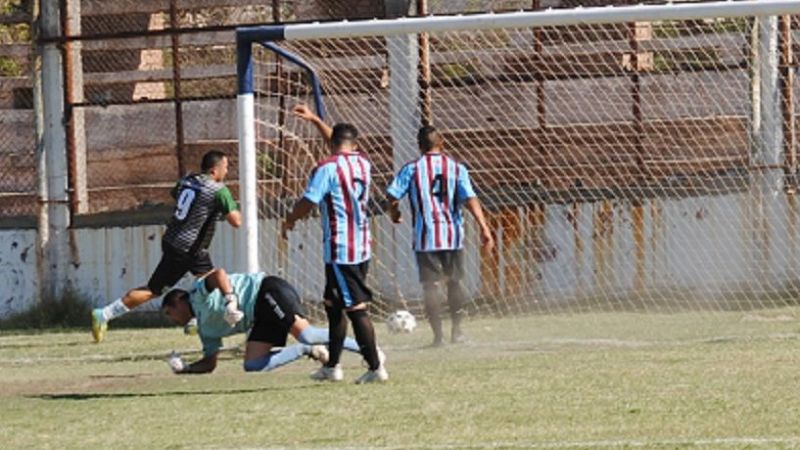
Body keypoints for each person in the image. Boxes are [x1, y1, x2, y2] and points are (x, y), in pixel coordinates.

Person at [282, 104, 387, 383]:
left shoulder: (326, 168)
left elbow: (309, 200)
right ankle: (333, 367)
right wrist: (316, 119)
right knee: (333, 305)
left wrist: (290, 218)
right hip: (362, 243)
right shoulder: (363, 162)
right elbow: (338, 144)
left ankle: (376, 367)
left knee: (355, 308)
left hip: (342, 249)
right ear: (354, 144)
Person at [91, 150, 242, 343]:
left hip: (174, 239)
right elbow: (236, 221)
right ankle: (104, 314)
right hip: (188, 247)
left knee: (206, 282)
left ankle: (195, 321)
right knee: (155, 290)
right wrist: (234, 205)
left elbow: (176, 195)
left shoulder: (187, 180)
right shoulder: (218, 190)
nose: (227, 171)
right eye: (226, 167)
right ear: (215, 169)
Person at [386, 125, 494, 347]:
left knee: (431, 287)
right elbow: (470, 199)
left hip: (425, 238)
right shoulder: (455, 168)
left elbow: (392, 194)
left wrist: (395, 212)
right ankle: (457, 333)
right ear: (442, 143)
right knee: (454, 283)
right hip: (452, 236)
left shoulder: (412, 169)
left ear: (419, 146)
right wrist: (484, 227)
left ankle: (438, 338)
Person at [161, 269, 372, 374]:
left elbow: (218, 274)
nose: (171, 320)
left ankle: (369, 349)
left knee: (306, 334)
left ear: (179, 302)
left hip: (266, 291)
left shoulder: (196, 294)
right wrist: (185, 369)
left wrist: (230, 300)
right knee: (252, 364)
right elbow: (210, 363)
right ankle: (307, 351)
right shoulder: (205, 331)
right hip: (259, 317)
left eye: (169, 313)